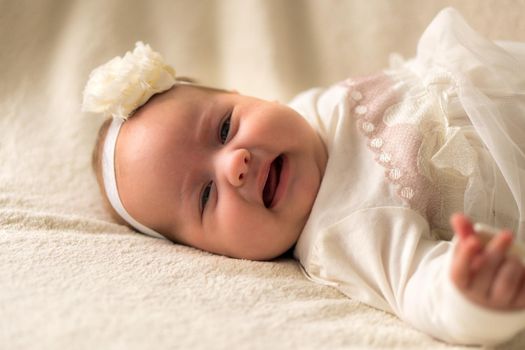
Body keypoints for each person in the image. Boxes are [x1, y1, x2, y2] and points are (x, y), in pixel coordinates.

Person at [83, 8, 525, 346]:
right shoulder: (341, 233)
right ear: (212, 253)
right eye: (204, 196)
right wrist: (474, 291)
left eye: (224, 129)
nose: (234, 165)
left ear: (245, 96)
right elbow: (419, 289)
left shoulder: (308, 111)